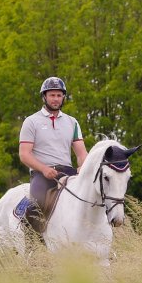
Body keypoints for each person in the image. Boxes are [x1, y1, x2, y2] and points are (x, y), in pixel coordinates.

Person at [19, 77, 88, 220]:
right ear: (44, 96)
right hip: (41, 174)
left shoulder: (72, 122)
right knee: (35, 206)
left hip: (68, 173)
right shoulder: (31, 121)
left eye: (59, 95)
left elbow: (81, 154)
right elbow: (24, 154)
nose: (55, 99)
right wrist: (44, 169)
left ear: (63, 97)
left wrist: (83, 167)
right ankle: (32, 241)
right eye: (52, 95)